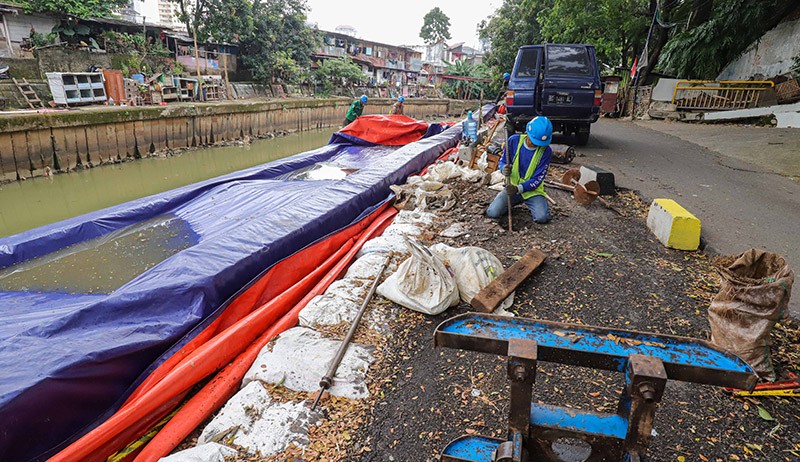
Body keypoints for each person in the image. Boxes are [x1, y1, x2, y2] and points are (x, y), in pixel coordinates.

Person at [486, 116, 553, 224]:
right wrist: (504, 169)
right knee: (492, 213)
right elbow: (503, 161)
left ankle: (529, 202)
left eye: (539, 143)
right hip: (511, 187)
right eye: (533, 141)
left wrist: (518, 188)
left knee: (542, 218)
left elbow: (538, 179)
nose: (535, 144)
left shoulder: (546, 151)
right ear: (527, 132)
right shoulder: (514, 141)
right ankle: (511, 203)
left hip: (532, 191)